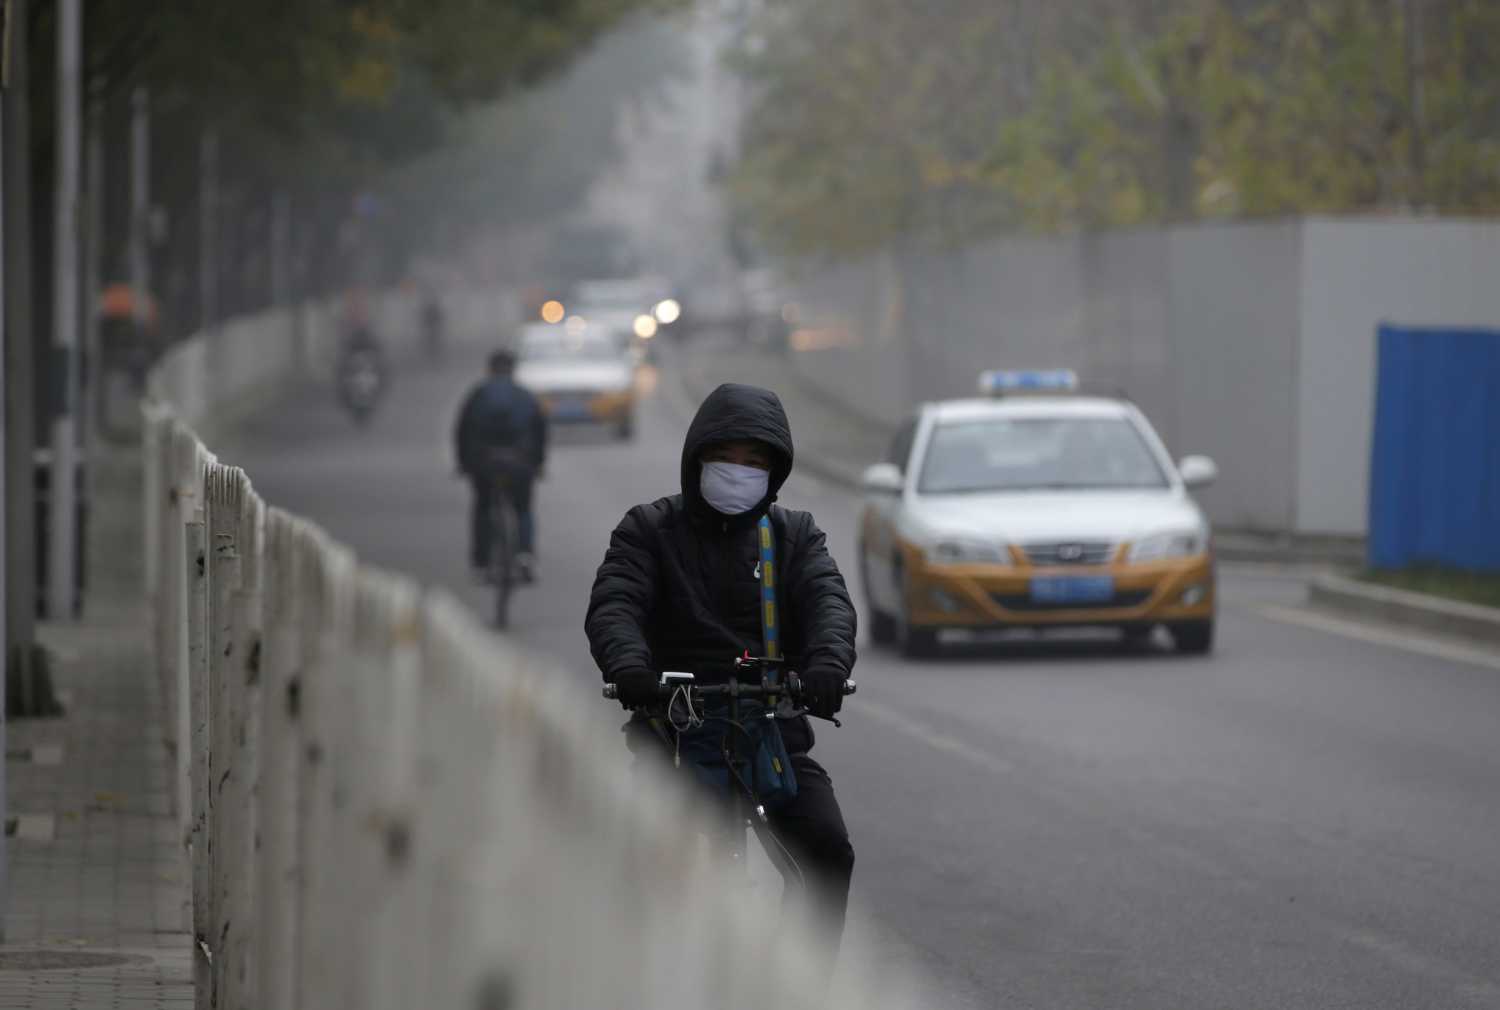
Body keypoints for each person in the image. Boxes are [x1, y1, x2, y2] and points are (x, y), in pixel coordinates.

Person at [585, 382, 857, 961]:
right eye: (725, 458)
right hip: (673, 733)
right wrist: (629, 666)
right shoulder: (648, 530)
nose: (738, 472)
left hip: (770, 736)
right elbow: (616, 604)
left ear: (775, 472)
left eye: (754, 463)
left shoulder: (793, 535)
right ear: (696, 460)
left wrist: (828, 664)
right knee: (632, 865)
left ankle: (805, 990)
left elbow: (828, 601)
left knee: (828, 849)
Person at [453, 349, 548, 582]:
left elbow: (461, 431)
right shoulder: (525, 395)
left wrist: (464, 464)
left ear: (489, 370)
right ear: (513, 370)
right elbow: (540, 432)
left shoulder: (477, 394)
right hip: (519, 463)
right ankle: (525, 555)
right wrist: (538, 464)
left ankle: (481, 563)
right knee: (523, 508)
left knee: (483, 507)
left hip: (485, 463)